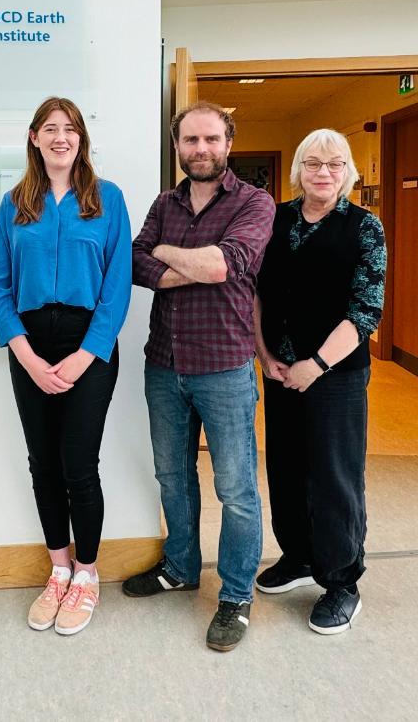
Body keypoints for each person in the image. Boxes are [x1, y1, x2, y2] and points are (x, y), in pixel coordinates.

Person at [126, 101, 274, 652]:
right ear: (177, 147)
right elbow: (137, 263)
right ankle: (181, 568)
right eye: (190, 140)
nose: (201, 149)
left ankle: (235, 597)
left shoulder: (254, 202)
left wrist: (175, 257)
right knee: (172, 476)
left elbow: (223, 265)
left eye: (211, 139)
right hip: (164, 364)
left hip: (226, 367)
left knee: (235, 490)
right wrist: (189, 260)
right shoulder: (165, 203)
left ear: (228, 143)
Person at [0, 97, 131, 636]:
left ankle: (87, 575)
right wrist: (25, 354)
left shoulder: (107, 199)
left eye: (70, 129)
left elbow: (116, 289)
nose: (61, 138)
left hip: (88, 346)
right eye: (51, 129)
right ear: (34, 138)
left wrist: (83, 356)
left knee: (78, 465)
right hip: (29, 346)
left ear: (81, 139)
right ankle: (58, 569)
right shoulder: (14, 204)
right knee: (42, 464)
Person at [253, 129, 385, 635]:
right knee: (285, 468)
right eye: (312, 163)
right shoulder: (276, 219)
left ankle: (341, 581)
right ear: (297, 171)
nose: (323, 172)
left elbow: (365, 311)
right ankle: (299, 556)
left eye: (334, 164)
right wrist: (265, 355)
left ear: (348, 170)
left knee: (334, 477)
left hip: (336, 377)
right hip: (281, 372)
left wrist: (318, 364)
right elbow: (257, 292)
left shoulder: (364, 228)